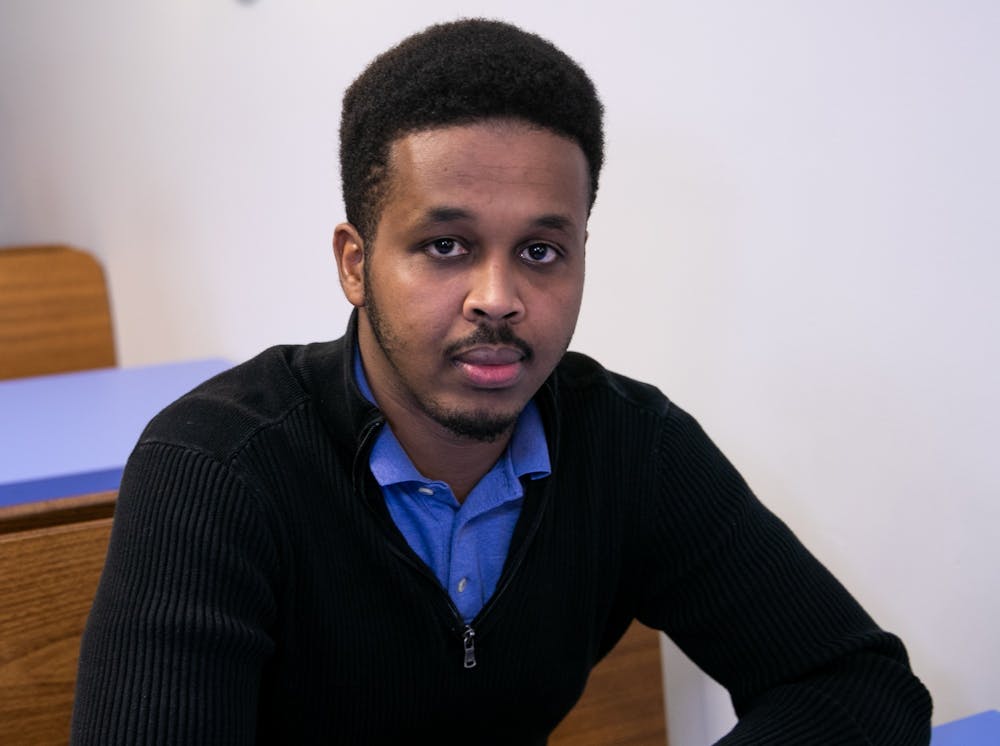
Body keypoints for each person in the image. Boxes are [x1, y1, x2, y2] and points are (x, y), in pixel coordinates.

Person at [71, 18, 932, 745]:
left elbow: (854, 682)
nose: (499, 299)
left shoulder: (630, 442)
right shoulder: (218, 468)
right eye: (446, 246)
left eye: (541, 252)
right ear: (356, 262)